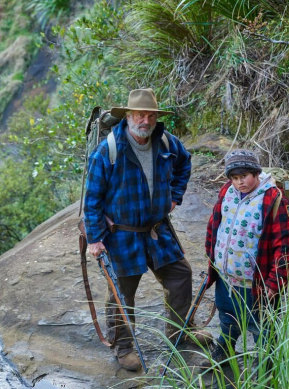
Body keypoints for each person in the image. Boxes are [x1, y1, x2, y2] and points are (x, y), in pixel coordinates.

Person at [84, 88, 192, 371]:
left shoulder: (166, 141)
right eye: (140, 114)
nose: (145, 120)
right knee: (122, 293)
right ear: (129, 116)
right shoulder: (108, 149)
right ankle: (123, 348)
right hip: (122, 234)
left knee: (180, 276)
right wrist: (95, 238)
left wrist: (174, 196)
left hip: (157, 229)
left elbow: (185, 163)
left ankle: (180, 332)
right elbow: (92, 198)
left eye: (151, 114)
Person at [204, 149, 289, 366]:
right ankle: (225, 349)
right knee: (227, 316)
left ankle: (266, 363)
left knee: (262, 326)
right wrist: (213, 259)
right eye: (234, 178)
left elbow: (285, 246)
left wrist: (275, 282)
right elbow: (215, 225)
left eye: (244, 176)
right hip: (227, 278)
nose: (239, 182)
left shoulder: (273, 199)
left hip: (258, 283)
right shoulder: (227, 191)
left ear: (255, 173)